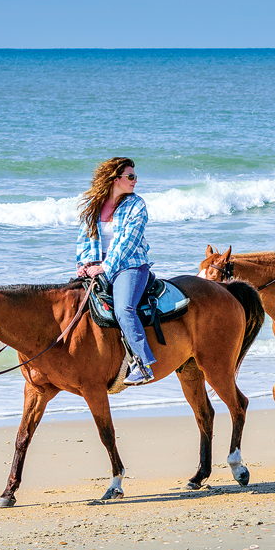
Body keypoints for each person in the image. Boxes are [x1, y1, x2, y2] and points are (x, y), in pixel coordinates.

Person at [76, 157, 156, 384]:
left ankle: (143, 364)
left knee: (124, 309)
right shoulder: (95, 204)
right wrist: (84, 264)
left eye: (135, 176)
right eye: (130, 177)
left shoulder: (137, 205)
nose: (135, 181)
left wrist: (105, 267)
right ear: (115, 179)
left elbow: (127, 242)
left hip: (129, 265)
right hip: (97, 266)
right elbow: (85, 237)